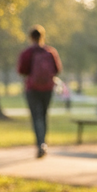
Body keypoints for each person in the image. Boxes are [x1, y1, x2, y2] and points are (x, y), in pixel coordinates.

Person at [17, 25, 63, 157]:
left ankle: (40, 143)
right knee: (43, 115)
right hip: (47, 88)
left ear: (31, 37)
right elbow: (57, 69)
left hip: (32, 88)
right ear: (42, 36)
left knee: (36, 116)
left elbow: (21, 70)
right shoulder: (50, 52)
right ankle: (44, 142)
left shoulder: (27, 53)